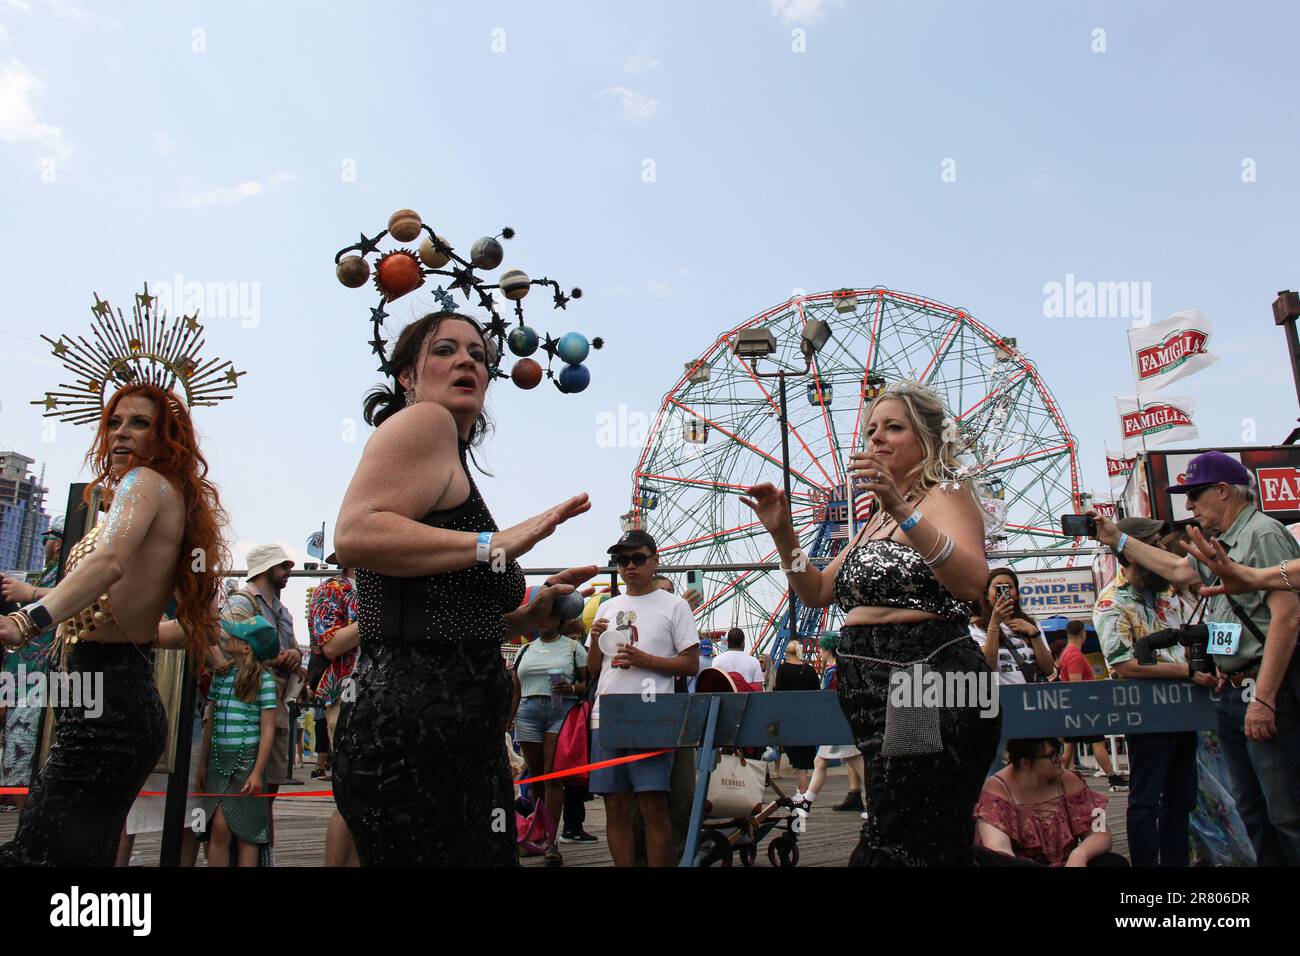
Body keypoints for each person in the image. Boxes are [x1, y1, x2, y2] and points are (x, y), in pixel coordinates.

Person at [332, 310, 593, 866]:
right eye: (445, 350)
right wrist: (492, 544)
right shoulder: (424, 422)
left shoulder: (448, 457)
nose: (466, 361)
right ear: (408, 375)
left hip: (452, 729)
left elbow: (438, 613)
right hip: (418, 730)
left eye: (477, 354)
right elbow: (356, 533)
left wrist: (529, 616)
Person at [743, 380, 1000, 866]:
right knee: (915, 834)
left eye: (893, 427)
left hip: (924, 678)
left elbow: (972, 583)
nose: (876, 438)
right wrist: (783, 534)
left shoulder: (946, 493)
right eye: (870, 430)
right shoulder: (876, 520)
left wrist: (904, 510)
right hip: (873, 693)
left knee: (899, 834)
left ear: (926, 438)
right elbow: (817, 590)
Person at [0, 381, 228, 866]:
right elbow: (162, 622)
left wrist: (26, 619)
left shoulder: (142, 484)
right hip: (112, 699)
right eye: (114, 423)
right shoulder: (166, 498)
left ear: (167, 437)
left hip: (109, 707)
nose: (122, 434)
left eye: (140, 423)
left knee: (41, 852)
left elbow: (107, 566)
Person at [1091, 450, 1300, 865]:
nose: (1188, 505)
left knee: (1285, 814)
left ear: (1224, 491)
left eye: (1195, 493)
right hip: (1235, 691)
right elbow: (1180, 570)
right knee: (1255, 812)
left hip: (1263, 691)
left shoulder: (1261, 534)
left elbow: (1288, 617)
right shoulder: (1222, 542)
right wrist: (1117, 539)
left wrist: (1264, 697)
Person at [586, 529, 700, 867]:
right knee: (616, 807)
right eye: (622, 560)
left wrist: (645, 660)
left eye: (637, 558)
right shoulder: (609, 606)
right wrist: (594, 641)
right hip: (606, 714)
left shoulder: (674, 606)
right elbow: (595, 670)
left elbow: (691, 664)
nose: (629, 566)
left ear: (655, 560)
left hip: (650, 714)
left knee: (653, 806)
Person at [1092, 516, 1196, 867]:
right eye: (1156, 545)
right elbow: (1124, 666)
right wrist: (1188, 671)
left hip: (1184, 709)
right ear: (1133, 552)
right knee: (1146, 801)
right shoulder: (1112, 601)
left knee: (1181, 800)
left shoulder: (1168, 593)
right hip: (1146, 714)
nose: (1163, 551)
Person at [508, 617, 589, 866]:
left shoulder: (574, 648)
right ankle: (540, 833)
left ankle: (551, 842)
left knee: (553, 776)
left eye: (550, 616)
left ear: (559, 620)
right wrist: (507, 720)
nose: (543, 621)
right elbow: (516, 690)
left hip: (560, 710)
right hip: (527, 712)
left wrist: (572, 689)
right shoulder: (524, 649)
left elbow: (587, 684)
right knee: (537, 778)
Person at [974, 738, 1127, 867]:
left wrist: (1080, 853)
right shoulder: (995, 792)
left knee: (1114, 862)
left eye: (1059, 751)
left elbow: (1101, 833)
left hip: (1067, 863)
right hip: (1021, 865)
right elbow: (999, 851)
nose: (1060, 759)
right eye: (1052, 756)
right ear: (1026, 763)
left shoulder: (1071, 780)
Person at [0, 519, 63, 812]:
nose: (45, 545)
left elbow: (81, 600)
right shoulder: (46, 576)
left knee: (21, 774)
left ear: (58, 542)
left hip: (40, 685)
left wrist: (30, 593)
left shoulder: (65, 575)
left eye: (46, 539)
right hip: (20, 681)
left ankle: (34, 840)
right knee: (16, 775)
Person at [307, 554, 360, 866]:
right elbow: (330, 645)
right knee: (349, 796)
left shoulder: (376, 589)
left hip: (380, 694)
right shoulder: (332, 589)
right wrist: (377, 612)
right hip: (346, 696)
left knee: (369, 796)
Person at [796, 634, 867, 814]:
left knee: (854, 761)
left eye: (821, 649)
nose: (819, 652)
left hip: (837, 724)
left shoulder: (833, 672)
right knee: (822, 761)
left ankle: (876, 802)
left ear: (828, 649)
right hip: (841, 723)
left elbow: (830, 698)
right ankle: (807, 801)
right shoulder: (840, 669)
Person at [1057, 619, 1128, 792]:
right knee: (1097, 742)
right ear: (1083, 634)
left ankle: (1059, 779)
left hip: (1075, 708)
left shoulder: (1067, 653)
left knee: (1069, 746)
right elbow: (1076, 684)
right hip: (1083, 708)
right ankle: (1113, 777)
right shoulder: (1074, 654)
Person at [969, 567, 1053, 685]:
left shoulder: (1031, 624)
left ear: (1017, 594)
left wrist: (1034, 633)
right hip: (1001, 698)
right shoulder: (977, 627)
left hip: (1033, 695)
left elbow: (1048, 669)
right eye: (997, 587)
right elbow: (987, 667)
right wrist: (994, 623)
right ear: (987, 595)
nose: (1003, 592)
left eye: (1009, 586)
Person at [556, 616, 599, 846]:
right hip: (568, 716)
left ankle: (572, 826)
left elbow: (588, 681)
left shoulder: (577, 652)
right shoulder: (573, 652)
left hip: (574, 715)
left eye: (577, 636)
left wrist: (571, 687)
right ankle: (568, 826)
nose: (575, 640)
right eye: (571, 636)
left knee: (572, 775)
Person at [772, 641, 819, 796]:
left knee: (797, 760)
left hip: (790, 719)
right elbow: (817, 694)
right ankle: (803, 790)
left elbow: (779, 694)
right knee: (804, 760)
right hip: (807, 718)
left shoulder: (783, 670)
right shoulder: (810, 671)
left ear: (787, 652)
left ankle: (803, 791)